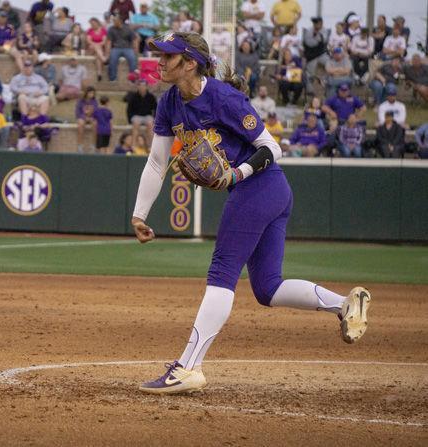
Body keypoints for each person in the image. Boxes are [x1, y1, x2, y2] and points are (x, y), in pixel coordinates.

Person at [131, 32, 371, 395]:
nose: (159, 62)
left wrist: (236, 174)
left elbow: (270, 147)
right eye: (159, 56)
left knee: (222, 271)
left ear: (190, 63)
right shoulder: (168, 103)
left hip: (260, 186)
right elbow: (156, 161)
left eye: (168, 56)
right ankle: (344, 304)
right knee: (267, 288)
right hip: (266, 192)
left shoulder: (223, 98)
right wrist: (139, 214)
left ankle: (189, 367)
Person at [105, 14, 138, 82]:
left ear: (120, 21)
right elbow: (109, 42)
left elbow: (134, 39)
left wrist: (135, 50)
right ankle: (112, 79)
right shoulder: (111, 29)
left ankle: (132, 78)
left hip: (127, 48)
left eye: (115, 20)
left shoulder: (128, 28)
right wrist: (107, 53)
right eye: (113, 20)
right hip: (116, 48)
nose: (113, 22)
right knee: (112, 59)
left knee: (132, 59)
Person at [124, 79, 157, 146]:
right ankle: (133, 145)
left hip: (147, 116)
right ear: (138, 87)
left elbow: (156, 108)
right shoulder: (133, 97)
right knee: (136, 124)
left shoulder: (151, 97)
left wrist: (155, 118)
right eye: (140, 86)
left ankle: (151, 146)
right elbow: (129, 109)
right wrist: (130, 119)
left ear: (146, 86)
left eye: (143, 86)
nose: (142, 87)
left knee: (150, 124)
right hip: (136, 116)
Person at [302, 16, 329, 96]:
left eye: (317, 23)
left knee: (331, 64)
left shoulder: (324, 30)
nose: (316, 25)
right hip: (311, 56)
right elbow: (309, 43)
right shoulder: (309, 31)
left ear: (321, 23)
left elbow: (323, 40)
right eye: (314, 23)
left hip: (321, 54)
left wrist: (317, 37)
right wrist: (316, 38)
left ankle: (324, 81)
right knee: (309, 74)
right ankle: (310, 91)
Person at [75, 86, 98, 152]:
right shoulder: (80, 101)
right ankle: (80, 146)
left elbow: (96, 111)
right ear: (86, 93)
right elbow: (77, 112)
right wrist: (84, 117)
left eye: (93, 93)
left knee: (95, 124)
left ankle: (93, 146)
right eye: (90, 93)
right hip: (82, 118)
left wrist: (91, 118)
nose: (91, 95)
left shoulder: (94, 102)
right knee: (81, 124)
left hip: (91, 118)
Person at [86, 18, 108, 82]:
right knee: (96, 47)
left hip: (100, 49)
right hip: (91, 49)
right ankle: (104, 59)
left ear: (97, 23)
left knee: (98, 57)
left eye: (93, 23)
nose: (92, 25)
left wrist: (98, 45)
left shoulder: (103, 30)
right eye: (91, 24)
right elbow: (89, 41)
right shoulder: (90, 30)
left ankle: (99, 74)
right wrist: (96, 44)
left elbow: (104, 41)